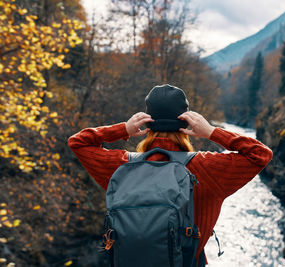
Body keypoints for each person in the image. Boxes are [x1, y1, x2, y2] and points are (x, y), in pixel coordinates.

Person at [68, 84, 273, 266]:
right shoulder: (207, 168)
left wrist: (123, 129)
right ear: (185, 124)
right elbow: (260, 154)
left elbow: (78, 142)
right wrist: (211, 132)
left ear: (147, 124)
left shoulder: (122, 167)